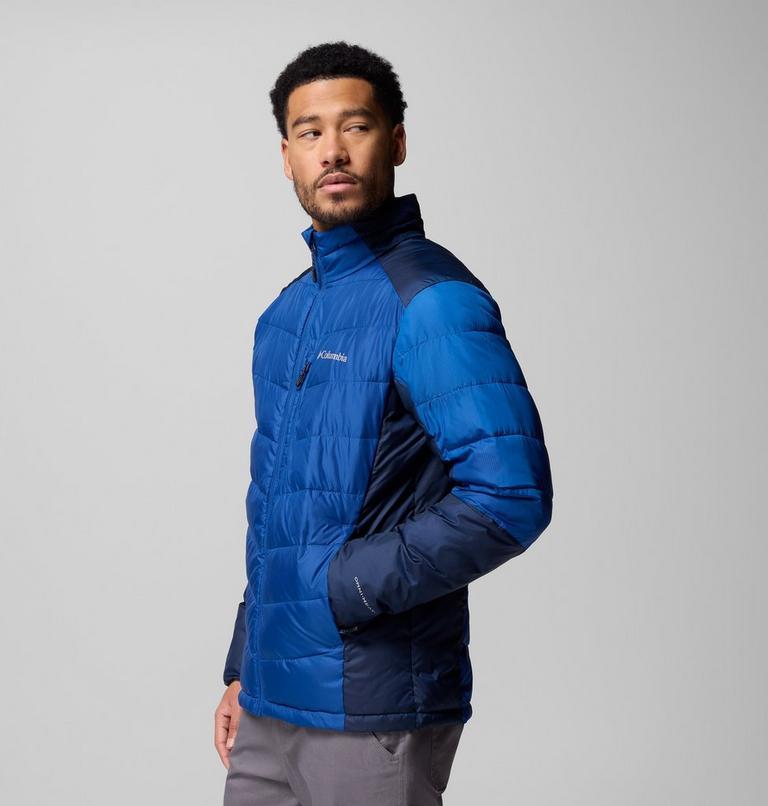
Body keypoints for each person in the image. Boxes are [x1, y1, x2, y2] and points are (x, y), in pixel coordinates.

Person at [214, 40, 554, 805]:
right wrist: (244, 664)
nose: (332, 150)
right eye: (309, 132)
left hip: (372, 704)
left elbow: (511, 496)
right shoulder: (286, 315)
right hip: (270, 701)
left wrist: (344, 590)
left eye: (355, 126)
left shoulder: (432, 302)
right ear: (287, 157)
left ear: (395, 142)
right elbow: (279, 512)